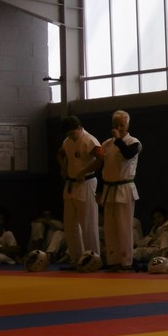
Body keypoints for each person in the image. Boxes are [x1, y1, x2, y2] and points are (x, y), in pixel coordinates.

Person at [96, 110, 141, 271]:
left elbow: (128, 155)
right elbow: (103, 168)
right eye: (116, 125)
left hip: (124, 188)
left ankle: (126, 261)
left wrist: (118, 139)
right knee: (110, 227)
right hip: (109, 188)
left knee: (124, 226)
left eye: (122, 125)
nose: (119, 128)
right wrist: (99, 190)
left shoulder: (134, 142)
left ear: (127, 125)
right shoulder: (106, 144)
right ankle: (113, 260)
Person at [56, 115, 101, 265]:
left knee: (88, 224)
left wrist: (85, 170)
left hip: (86, 183)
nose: (70, 136)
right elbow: (60, 154)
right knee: (70, 225)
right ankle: (76, 257)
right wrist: (63, 167)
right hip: (71, 185)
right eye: (68, 134)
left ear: (79, 128)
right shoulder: (67, 142)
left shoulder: (89, 140)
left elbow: (101, 158)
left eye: (72, 133)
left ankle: (93, 258)